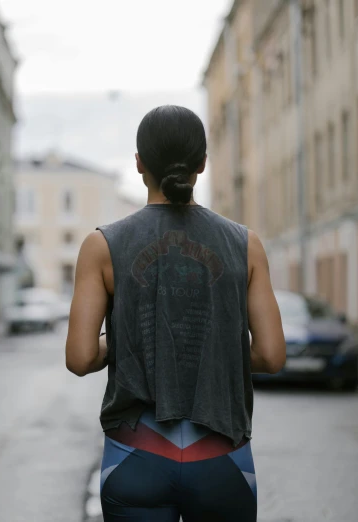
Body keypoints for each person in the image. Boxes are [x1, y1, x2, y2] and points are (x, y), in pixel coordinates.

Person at [65, 105, 286, 521]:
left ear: (138, 164)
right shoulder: (245, 244)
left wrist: (140, 339)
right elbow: (272, 355)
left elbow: (79, 358)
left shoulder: (103, 245)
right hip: (222, 456)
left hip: (135, 455)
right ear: (203, 163)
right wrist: (213, 341)